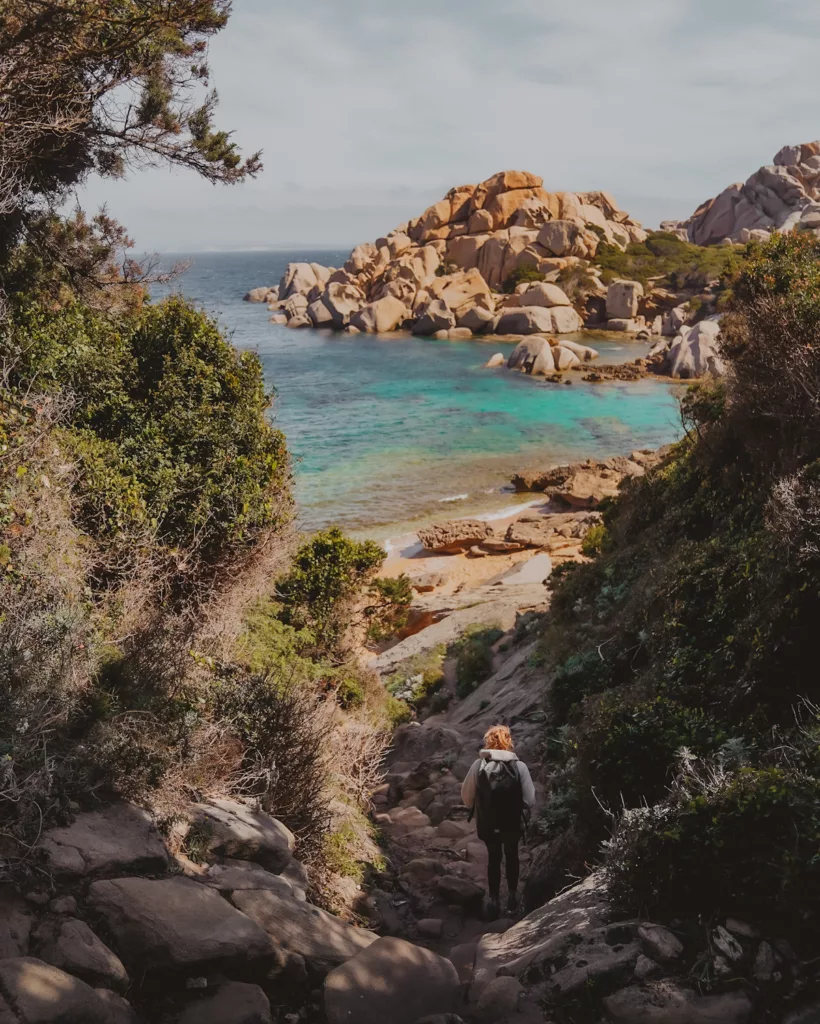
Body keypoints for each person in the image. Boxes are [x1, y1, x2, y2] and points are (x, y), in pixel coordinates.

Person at [461, 724, 535, 918]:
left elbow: (466, 796)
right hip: (511, 823)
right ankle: (512, 898)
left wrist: (478, 808)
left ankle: (493, 901)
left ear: (489, 741)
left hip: (488, 822)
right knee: (512, 856)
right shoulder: (519, 766)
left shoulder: (479, 765)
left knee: (493, 858)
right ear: (509, 742)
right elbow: (530, 800)